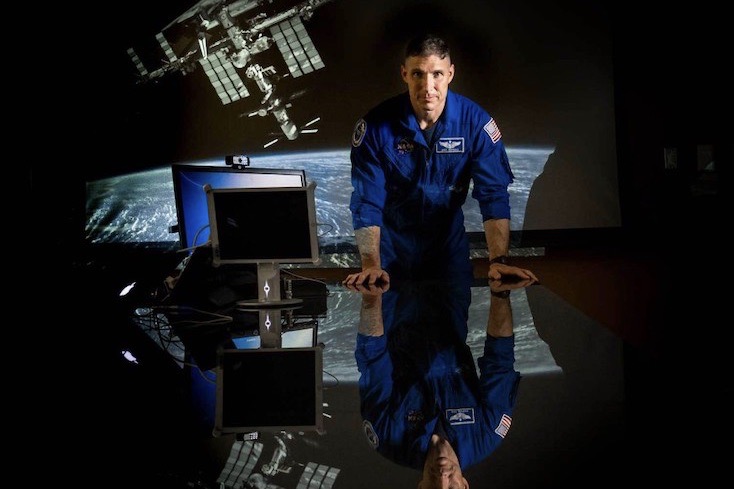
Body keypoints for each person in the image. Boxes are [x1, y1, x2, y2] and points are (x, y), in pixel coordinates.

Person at [344, 33, 538, 286]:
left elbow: (493, 193)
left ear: (450, 74)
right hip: (390, 257)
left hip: (449, 254)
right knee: (379, 318)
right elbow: (366, 201)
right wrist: (371, 265)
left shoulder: (476, 123)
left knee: (452, 323)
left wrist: (498, 259)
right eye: (418, 74)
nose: (428, 87)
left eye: (437, 74)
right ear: (404, 74)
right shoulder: (375, 128)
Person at [346, 275, 535, 489]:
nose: (443, 478)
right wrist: (500, 293)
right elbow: (499, 361)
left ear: (421, 487)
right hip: (449, 299)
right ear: (464, 485)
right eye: (452, 488)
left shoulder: (388, 440)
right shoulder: (488, 433)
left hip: (392, 304)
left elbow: (373, 362)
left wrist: (372, 297)